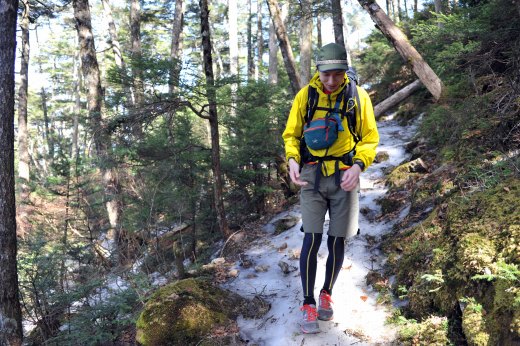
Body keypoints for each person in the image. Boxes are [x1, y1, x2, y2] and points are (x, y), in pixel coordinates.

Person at [282, 43, 379, 334]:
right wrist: (292, 161)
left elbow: (369, 139)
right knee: (311, 238)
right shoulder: (305, 96)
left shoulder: (357, 97)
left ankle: (327, 292)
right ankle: (308, 302)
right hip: (311, 176)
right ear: (318, 71)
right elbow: (292, 135)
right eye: (326, 75)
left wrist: (359, 166)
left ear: (344, 72)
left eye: (337, 75)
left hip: (345, 175)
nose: (331, 81)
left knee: (337, 240)